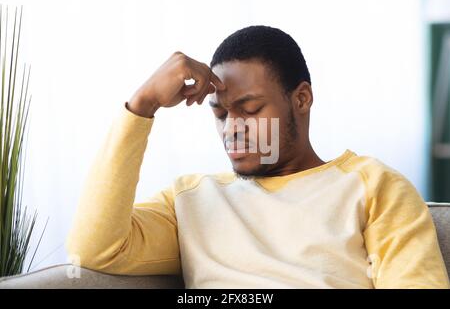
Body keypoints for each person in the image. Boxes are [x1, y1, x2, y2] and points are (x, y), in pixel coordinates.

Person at [66, 25, 449, 288]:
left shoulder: (374, 186)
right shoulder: (190, 201)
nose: (232, 126)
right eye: (220, 112)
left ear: (301, 99)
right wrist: (143, 105)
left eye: (250, 109)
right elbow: (93, 249)